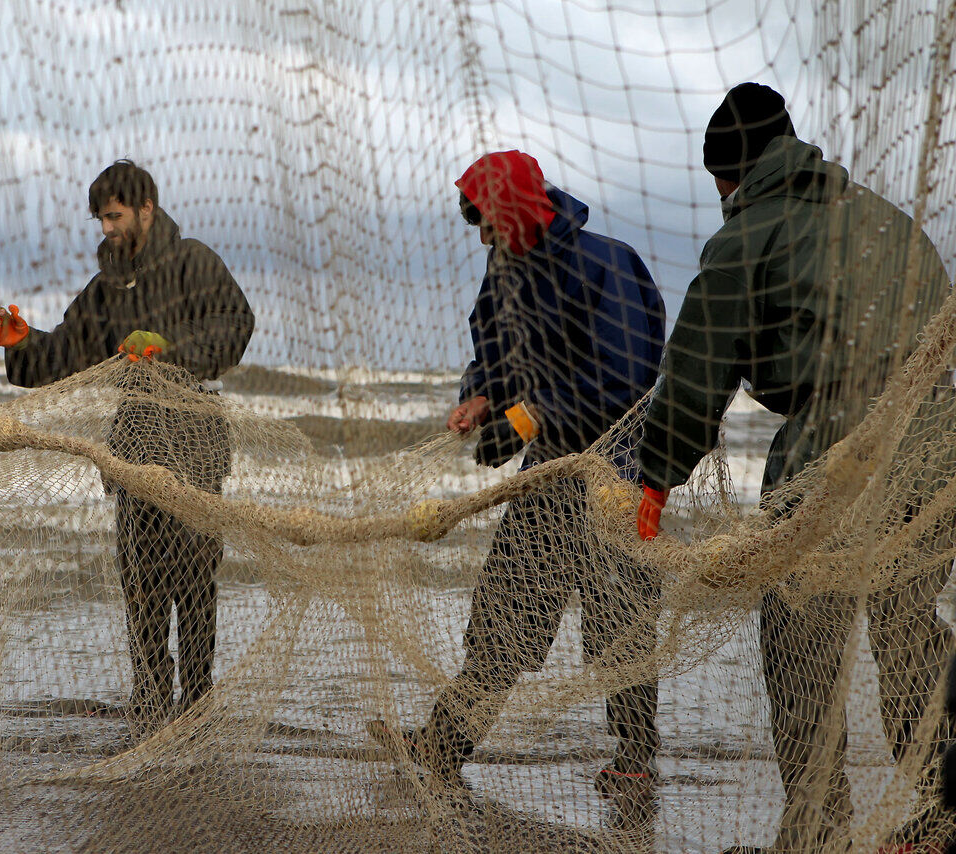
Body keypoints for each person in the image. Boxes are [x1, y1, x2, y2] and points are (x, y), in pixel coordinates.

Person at [637, 83, 954, 853]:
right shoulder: (883, 215)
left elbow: (696, 367)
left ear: (732, 172)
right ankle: (949, 800)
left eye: (718, 180)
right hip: (940, 444)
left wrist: (656, 476)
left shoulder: (747, 233)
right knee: (909, 630)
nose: (718, 195)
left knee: (800, 630)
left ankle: (814, 827)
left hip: (836, 453)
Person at [369, 150, 666, 824]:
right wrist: (478, 398)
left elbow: (626, 377)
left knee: (622, 621)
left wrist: (529, 415)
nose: (482, 240)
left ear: (520, 214)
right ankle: (443, 744)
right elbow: (496, 352)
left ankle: (635, 760)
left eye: (489, 226)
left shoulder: (605, 263)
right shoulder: (504, 269)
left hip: (618, 471)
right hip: (549, 466)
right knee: (508, 605)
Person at [0, 159, 254, 732]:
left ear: (146, 209)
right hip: (133, 440)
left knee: (195, 578)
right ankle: (152, 703)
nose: (106, 228)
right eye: (100, 218)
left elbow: (237, 323)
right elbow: (66, 353)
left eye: (115, 215)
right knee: (142, 580)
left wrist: (170, 347)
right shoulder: (105, 288)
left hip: (195, 435)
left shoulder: (194, 260)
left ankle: (197, 703)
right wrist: (22, 342)